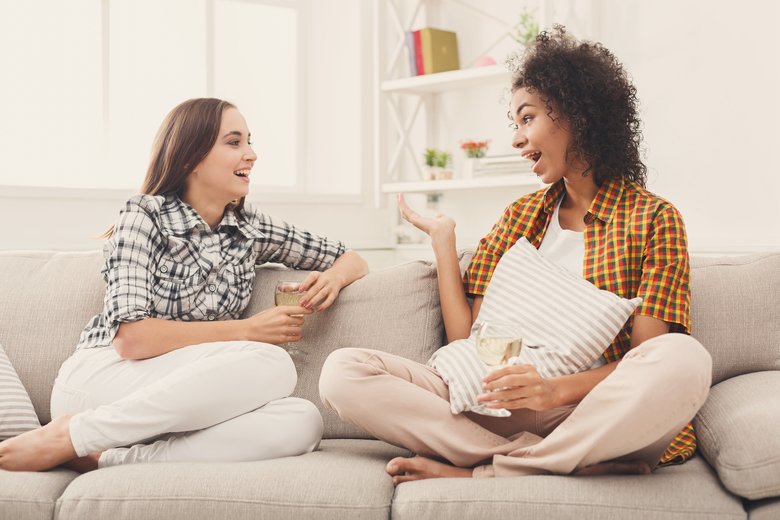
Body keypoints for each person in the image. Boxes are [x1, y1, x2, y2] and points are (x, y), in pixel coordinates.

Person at [319, 26, 712, 484]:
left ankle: (485, 470)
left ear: (576, 115)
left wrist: (552, 391)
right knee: (342, 372)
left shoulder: (653, 218)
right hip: (497, 408)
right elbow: (466, 337)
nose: (517, 139)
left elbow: (646, 355)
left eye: (527, 119)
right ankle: (543, 462)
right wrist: (445, 242)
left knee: (683, 358)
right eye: (516, 123)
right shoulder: (521, 217)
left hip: (591, 413)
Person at [0, 97, 368, 472]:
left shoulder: (249, 228)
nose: (252, 154)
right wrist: (247, 331)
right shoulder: (144, 214)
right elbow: (131, 339)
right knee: (272, 361)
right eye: (234, 142)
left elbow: (351, 257)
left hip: (182, 400)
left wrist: (334, 278)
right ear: (190, 157)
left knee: (302, 421)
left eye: (250, 141)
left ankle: (109, 459)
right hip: (104, 380)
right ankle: (72, 435)